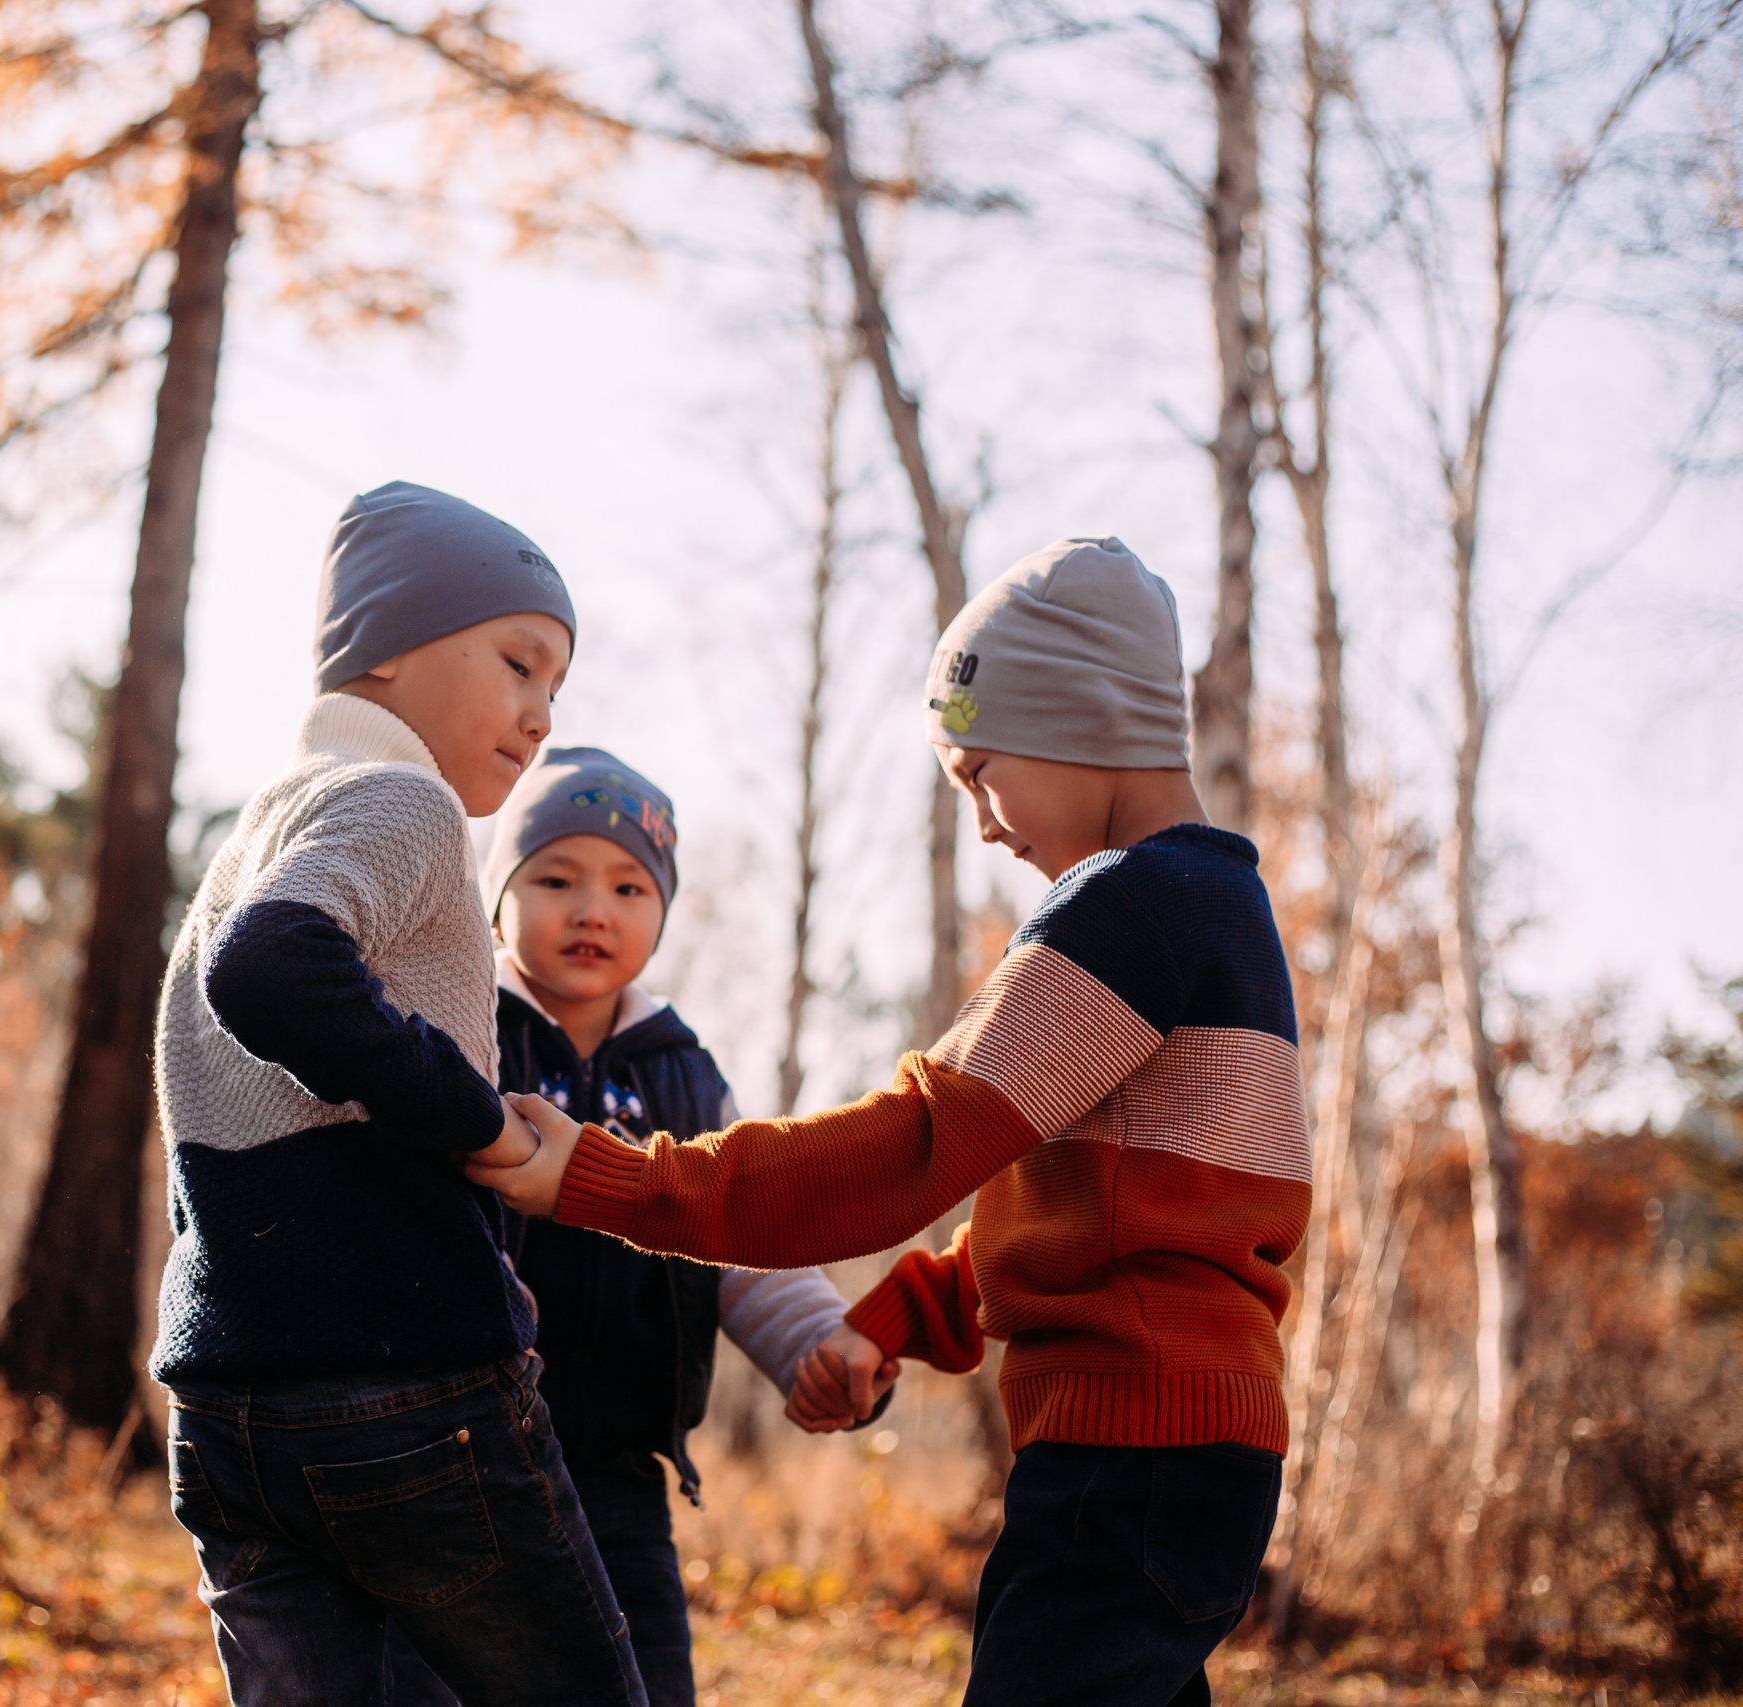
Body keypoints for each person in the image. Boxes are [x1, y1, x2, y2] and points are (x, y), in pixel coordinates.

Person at [470, 537, 1311, 1707]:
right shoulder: (1215, 912)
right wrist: (898, 1319)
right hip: (1184, 1440)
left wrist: (607, 1182)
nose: (981, 823)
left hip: (1130, 1451)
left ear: (1076, 721)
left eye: (980, 773)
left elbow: (915, 1147)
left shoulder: (1130, 910)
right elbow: (1097, 1216)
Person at [151, 481, 645, 1707]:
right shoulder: (402, 801)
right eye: (520, 664)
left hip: (227, 1407)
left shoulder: (256, 831)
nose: (538, 717)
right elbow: (269, 969)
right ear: (383, 652)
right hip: (401, 1388)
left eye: (555, 690)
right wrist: (473, 1118)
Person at [385, 749, 862, 1707]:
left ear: (661, 910)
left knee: (647, 1683)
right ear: (498, 897)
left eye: (629, 885)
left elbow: (737, 1234)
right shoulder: (462, 1034)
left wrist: (817, 1336)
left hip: (619, 1471)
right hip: (464, 1459)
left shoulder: (683, 1075)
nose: (591, 909)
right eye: (554, 878)